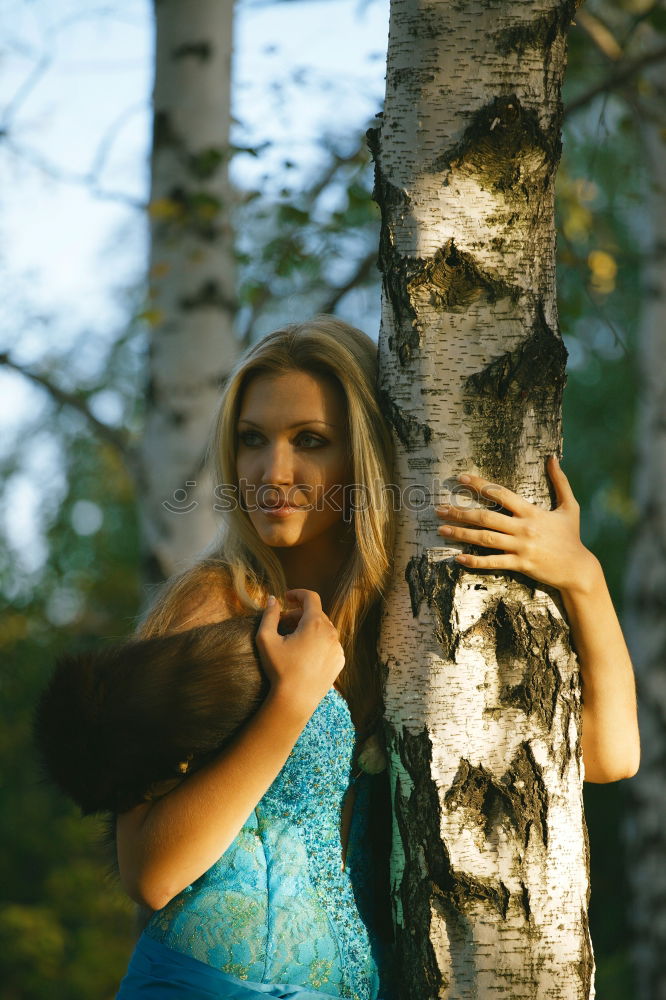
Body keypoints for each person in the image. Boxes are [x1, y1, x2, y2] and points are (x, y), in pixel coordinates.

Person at [107, 314, 637, 998]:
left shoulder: (415, 619)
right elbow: (150, 870)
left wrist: (583, 578)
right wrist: (293, 700)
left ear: (363, 456)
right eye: (251, 440)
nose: (274, 471)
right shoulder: (211, 609)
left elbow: (607, 755)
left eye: (311, 442)